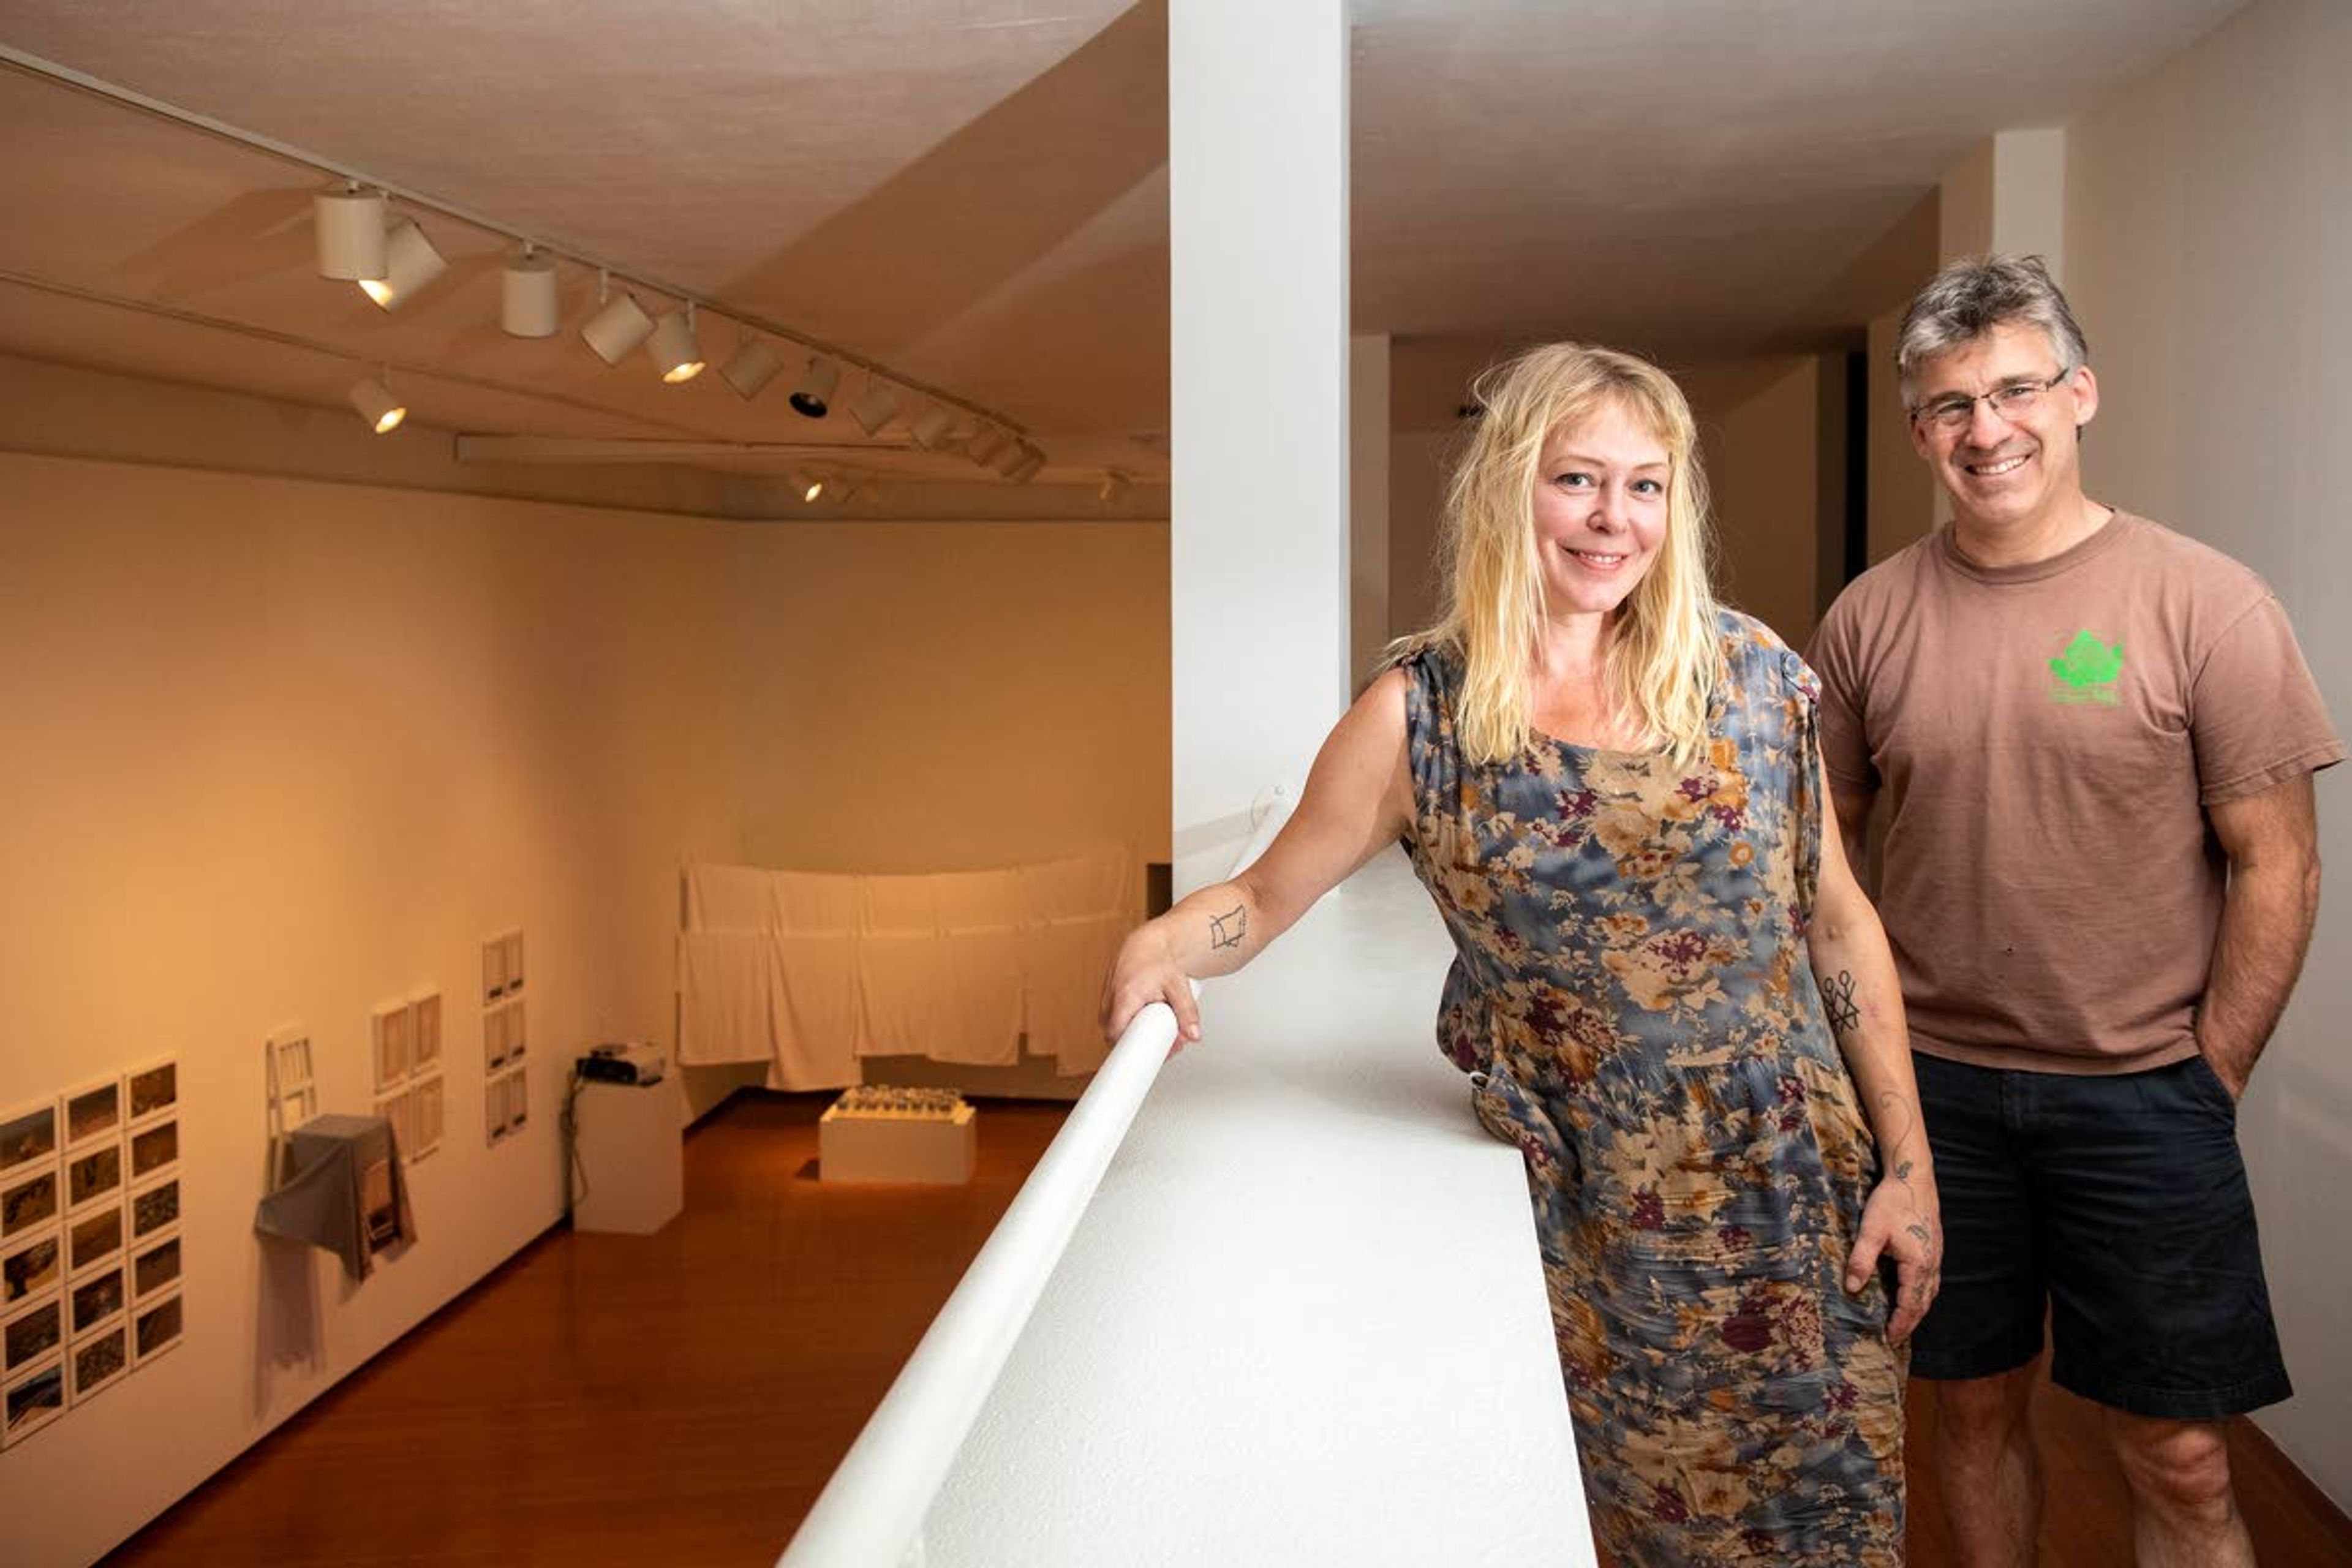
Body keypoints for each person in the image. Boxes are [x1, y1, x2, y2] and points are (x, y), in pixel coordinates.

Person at [1104, 343, 1940, 1566]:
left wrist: (1909, 1165)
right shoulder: (1420, 717)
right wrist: (1159, 938)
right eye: (1579, 480)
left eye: (1646, 486)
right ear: (1512, 489)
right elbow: (1266, 895)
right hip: (1602, 1233)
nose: (1614, 519)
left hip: (1799, 1197)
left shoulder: (1754, 675)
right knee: (1645, 1536)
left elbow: (1840, 921)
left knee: (1842, 1533)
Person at [1809, 255, 2342, 1567]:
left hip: (2145, 1093)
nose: (1985, 430)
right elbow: (1822, 871)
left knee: (2179, 1449)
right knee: (1971, 1412)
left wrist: (2204, 1075)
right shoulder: (1869, 620)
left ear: (2080, 394)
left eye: (2015, 390)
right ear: (1922, 430)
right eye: (1948, 405)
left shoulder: (2208, 604)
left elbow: (2282, 864)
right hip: (1934, 1103)